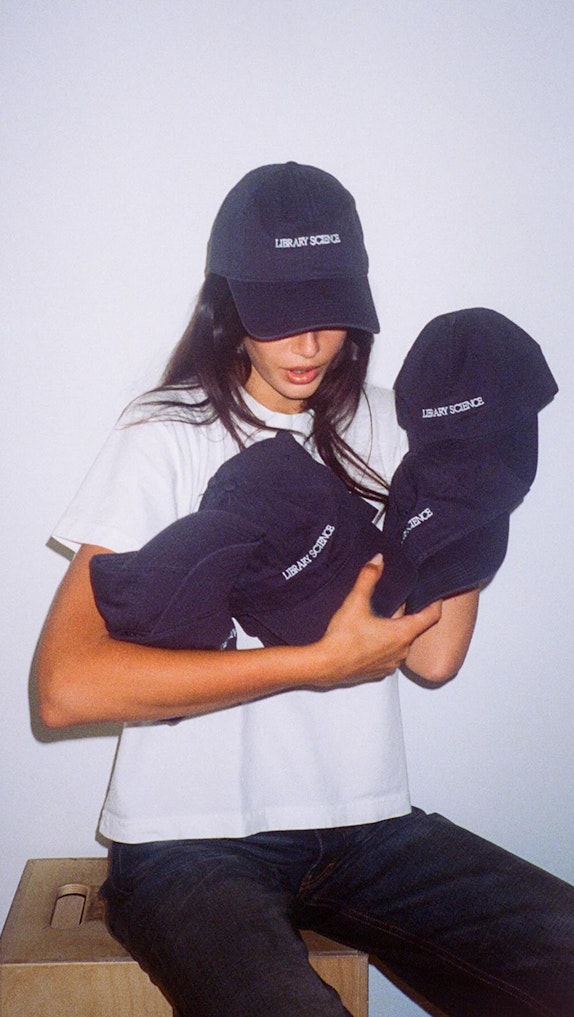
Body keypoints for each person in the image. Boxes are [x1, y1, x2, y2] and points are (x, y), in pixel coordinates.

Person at [36, 162, 574, 1017]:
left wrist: (473, 469)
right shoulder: (164, 432)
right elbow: (64, 688)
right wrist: (309, 664)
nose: (310, 343)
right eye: (280, 312)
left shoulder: (396, 423)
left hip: (366, 829)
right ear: (229, 302)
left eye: (327, 307)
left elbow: (434, 657)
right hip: (185, 846)